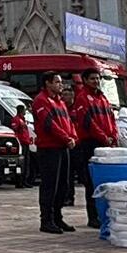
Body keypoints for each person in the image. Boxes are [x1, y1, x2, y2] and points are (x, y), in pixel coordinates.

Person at [33, 74, 78, 234]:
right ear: (48, 83)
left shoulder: (60, 102)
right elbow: (49, 124)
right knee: (50, 185)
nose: (61, 85)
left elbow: (68, 122)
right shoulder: (41, 100)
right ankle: (46, 220)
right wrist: (66, 138)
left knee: (63, 185)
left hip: (62, 146)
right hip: (49, 148)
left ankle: (58, 217)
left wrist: (73, 136)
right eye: (57, 82)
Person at [73, 71, 117, 228]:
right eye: (92, 79)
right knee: (92, 182)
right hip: (91, 143)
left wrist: (114, 135)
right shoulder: (82, 98)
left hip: (106, 143)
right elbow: (88, 123)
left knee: (106, 180)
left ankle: (105, 214)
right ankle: (93, 217)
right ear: (84, 80)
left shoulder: (103, 97)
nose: (96, 81)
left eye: (97, 78)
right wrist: (104, 137)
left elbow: (111, 118)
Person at [10, 104, 36, 187]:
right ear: (21, 111)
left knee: (26, 163)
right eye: (24, 110)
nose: (25, 111)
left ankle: (24, 180)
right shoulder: (16, 119)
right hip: (21, 143)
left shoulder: (23, 120)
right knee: (22, 163)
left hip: (26, 142)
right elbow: (14, 129)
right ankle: (19, 181)